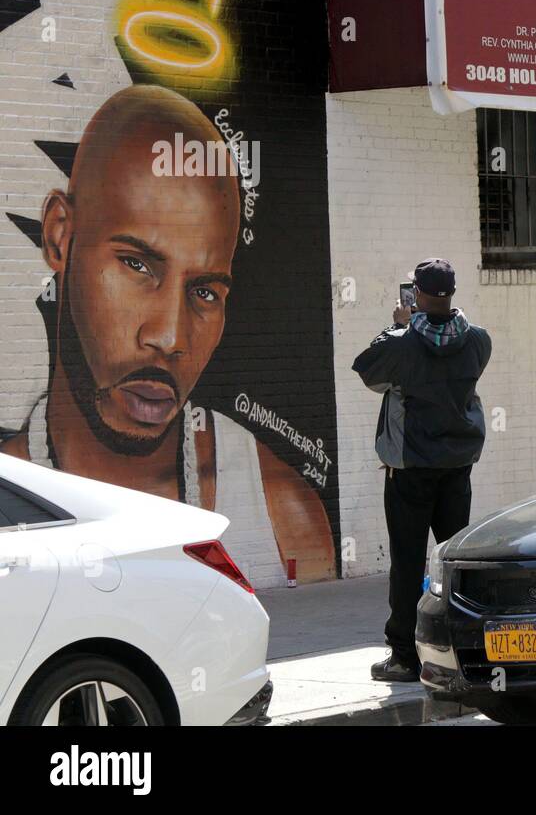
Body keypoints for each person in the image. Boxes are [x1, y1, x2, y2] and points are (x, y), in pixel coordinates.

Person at [0, 84, 335, 583]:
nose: (170, 336)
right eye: (137, 265)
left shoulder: (281, 515)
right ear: (59, 236)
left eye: (204, 292)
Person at [353, 258, 492, 682]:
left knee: (408, 561)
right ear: (450, 292)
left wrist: (398, 325)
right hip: (457, 467)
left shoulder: (401, 344)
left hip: (411, 467)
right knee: (454, 560)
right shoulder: (478, 341)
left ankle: (404, 655)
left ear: (418, 294)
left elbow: (367, 370)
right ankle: (461, 645)